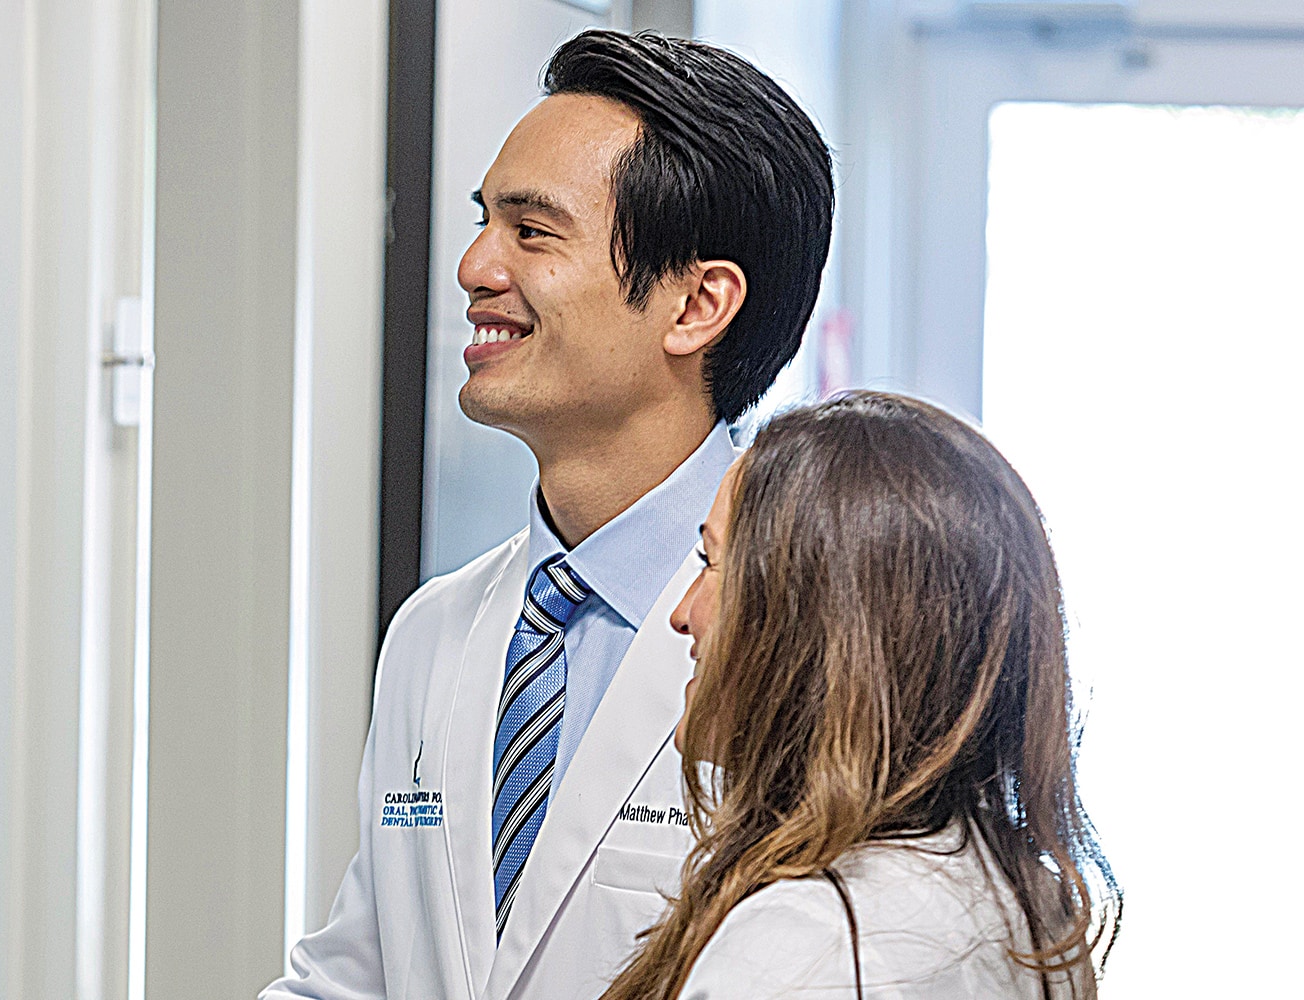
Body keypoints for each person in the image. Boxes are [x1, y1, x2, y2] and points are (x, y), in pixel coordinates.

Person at [264, 29, 833, 1000]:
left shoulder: (826, 639)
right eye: (483, 222)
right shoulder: (436, 630)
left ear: (697, 303)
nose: (476, 267)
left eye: (531, 231)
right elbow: (361, 972)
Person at [622, 391, 1120, 999]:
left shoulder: (807, 951)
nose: (682, 613)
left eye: (711, 562)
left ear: (817, 619)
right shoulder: (1019, 896)